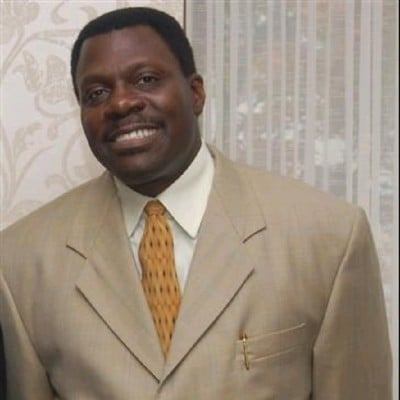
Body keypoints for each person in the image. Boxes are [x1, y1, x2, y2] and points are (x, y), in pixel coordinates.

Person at [0, 7, 392, 400]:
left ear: (196, 93)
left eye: (146, 79)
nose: (120, 104)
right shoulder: (20, 263)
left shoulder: (328, 238)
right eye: (97, 93)